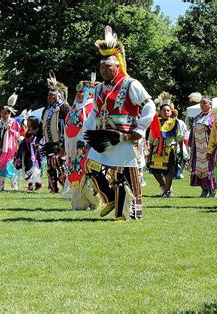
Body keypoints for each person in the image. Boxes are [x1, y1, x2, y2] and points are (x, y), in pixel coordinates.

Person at [82, 26, 156, 220]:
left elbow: (149, 106)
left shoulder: (131, 84)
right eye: (101, 68)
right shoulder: (98, 90)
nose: (104, 71)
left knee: (125, 176)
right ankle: (109, 198)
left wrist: (140, 129)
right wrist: (85, 135)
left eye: (108, 67)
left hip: (125, 138)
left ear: (117, 66)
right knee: (90, 167)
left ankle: (128, 213)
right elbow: (93, 115)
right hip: (103, 138)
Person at [64, 79, 96, 207]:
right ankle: (80, 199)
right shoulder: (74, 108)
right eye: (77, 92)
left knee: (88, 172)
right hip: (73, 149)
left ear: (89, 93)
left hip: (88, 147)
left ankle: (94, 199)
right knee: (75, 171)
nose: (78, 94)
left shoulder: (91, 107)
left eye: (82, 92)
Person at [147, 92, 184, 198]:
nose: (166, 112)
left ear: (171, 112)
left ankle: (167, 191)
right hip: (156, 150)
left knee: (169, 171)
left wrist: (181, 151)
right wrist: (149, 152)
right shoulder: (155, 123)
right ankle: (164, 186)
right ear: (160, 112)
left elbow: (180, 138)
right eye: (164, 110)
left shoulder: (175, 123)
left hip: (170, 149)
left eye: (168, 110)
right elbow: (151, 139)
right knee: (154, 170)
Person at [40, 70, 71, 193]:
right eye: (48, 95)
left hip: (60, 142)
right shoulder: (46, 110)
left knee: (60, 164)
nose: (49, 97)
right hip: (49, 143)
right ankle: (53, 188)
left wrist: (64, 144)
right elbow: (42, 126)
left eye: (51, 95)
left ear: (58, 95)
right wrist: (38, 140)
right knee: (49, 166)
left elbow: (69, 125)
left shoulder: (64, 107)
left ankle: (66, 187)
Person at [0, 94, 20, 191]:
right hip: (0, 147)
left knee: (9, 165)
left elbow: (18, 134)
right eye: (2, 113)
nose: (3, 115)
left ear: (9, 114)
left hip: (9, 148)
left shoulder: (13, 123)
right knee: (1, 164)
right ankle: (1, 186)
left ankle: (14, 186)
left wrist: (11, 130)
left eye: (5, 113)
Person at [188, 96, 216, 197]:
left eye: (204, 103)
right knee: (199, 169)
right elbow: (192, 132)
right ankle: (204, 189)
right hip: (198, 149)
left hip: (210, 147)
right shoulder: (197, 117)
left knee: (210, 168)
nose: (202, 105)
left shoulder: (214, 117)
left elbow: (216, 132)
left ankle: (213, 190)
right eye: (201, 103)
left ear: (210, 104)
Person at [14, 116, 43, 191]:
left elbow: (38, 142)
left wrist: (33, 144)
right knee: (27, 169)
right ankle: (36, 184)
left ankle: (33, 185)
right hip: (27, 152)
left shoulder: (37, 132)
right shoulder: (28, 131)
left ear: (33, 122)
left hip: (34, 153)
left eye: (29, 121)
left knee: (33, 169)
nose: (27, 122)